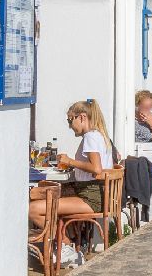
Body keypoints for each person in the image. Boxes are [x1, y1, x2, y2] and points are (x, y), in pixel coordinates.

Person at [30, 100, 115, 266]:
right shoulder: (100, 135)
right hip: (99, 194)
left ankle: (66, 246)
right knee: (46, 196)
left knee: (34, 210)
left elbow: (96, 169)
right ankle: (62, 243)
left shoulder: (90, 136)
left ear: (82, 117)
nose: (70, 125)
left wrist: (70, 161)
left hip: (92, 197)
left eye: (70, 120)